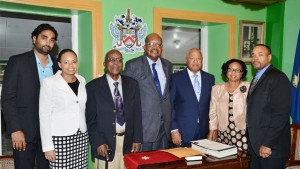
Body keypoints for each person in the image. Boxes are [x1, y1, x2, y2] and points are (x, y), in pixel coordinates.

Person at [1, 23, 59, 169]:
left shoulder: (58, 67)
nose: (48, 42)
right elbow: (7, 99)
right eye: (44, 38)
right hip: (24, 132)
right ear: (34, 39)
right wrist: (15, 129)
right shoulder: (17, 61)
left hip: (51, 134)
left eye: (52, 40)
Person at [86, 49, 142, 169]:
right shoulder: (92, 87)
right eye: (111, 59)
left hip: (128, 143)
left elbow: (137, 114)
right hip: (105, 144)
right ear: (104, 64)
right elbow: (90, 120)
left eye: (118, 60)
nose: (115, 63)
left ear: (122, 63)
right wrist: (98, 142)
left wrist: (137, 139)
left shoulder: (132, 84)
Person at [123, 33, 173, 151]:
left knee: (162, 163)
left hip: (164, 127)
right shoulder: (133, 65)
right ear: (144, 47)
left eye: (158, 44)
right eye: (151, 44)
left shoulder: (168, 65)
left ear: (162, 48)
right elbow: (126, 97)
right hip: (143, 128)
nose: (154, 47)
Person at [39, 49, 88, 168]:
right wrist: (48, 147)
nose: (71, 66)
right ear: (60, 64)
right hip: (59, 138)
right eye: (66, 62)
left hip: (81, 136)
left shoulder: (82, 80)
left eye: (74, 62)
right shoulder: (49, 83)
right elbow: (44, 115)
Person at [247, 44, 291, 169]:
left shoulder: (278, 77)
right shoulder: (257, 78)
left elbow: (280, 115)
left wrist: (267, 144)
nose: (255, 58)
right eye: (253, 55)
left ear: (269, 57)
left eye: (260, 55)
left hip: (271, 148)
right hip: (256, 146)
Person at [170, 48, 215, 147]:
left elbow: (212, 106)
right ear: (186, 60)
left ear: (202, 60)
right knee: (182, 161)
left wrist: (213, 129)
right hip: (182, 131)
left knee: (203, 161)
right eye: (192, 58)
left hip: (204, 131)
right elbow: (170, 105)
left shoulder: (210, 78)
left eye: (198, 58)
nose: (195, 61)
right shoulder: (176, 78)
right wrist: (174, 129)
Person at [207, 59, 249, 151]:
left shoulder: (248, 87)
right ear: (226, 71)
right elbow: (213, 112)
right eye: (230, 69)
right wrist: (212, 130)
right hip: (223, 132)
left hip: (243, 131)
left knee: (242, 160)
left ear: (242, 73)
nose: (233, 73)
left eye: (237, 70)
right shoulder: (216, 89)